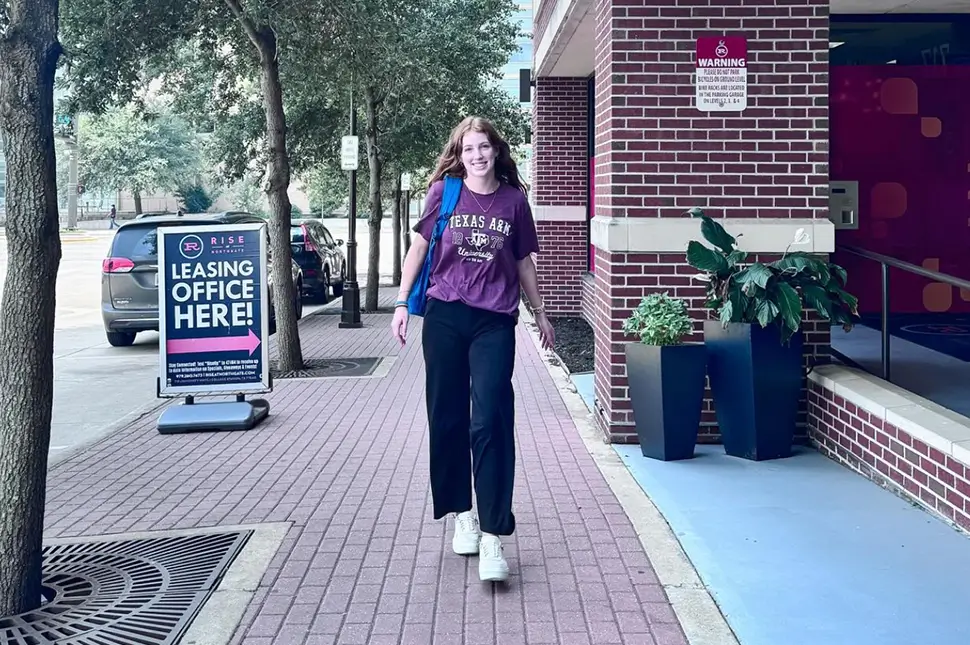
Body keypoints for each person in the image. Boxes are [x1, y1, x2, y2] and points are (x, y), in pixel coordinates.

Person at [390, 116, 555, 583]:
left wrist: (540, 311)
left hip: (494, 321)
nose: (477, 156)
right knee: (447, 415)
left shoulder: (514, 201)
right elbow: (418, 249)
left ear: (496, 151)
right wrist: (401, 302)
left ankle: (493, 535)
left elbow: (523, 260)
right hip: (444, 315)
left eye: (484, 147)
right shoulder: (444, 193)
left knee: (491, 418)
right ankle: (462, 512)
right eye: (468, 150)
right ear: (459, 155)